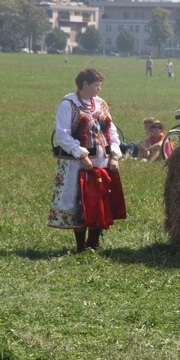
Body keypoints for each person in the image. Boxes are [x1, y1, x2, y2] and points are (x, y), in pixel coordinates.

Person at [47, 68, 124, 252]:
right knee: (79, 200)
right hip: (77, 164)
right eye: (96, 85)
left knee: (98, 199)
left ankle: (94, 242)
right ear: (85, 84)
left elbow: (111, 131)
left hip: (101, 163)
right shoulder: (68, 105)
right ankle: (81, 246)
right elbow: (62, 135)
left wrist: (114, 155)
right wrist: (80, 154)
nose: (99, 89)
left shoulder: (101, 104)